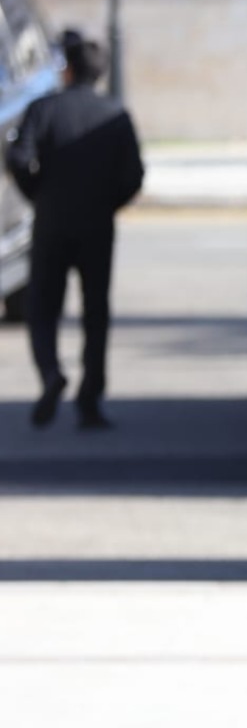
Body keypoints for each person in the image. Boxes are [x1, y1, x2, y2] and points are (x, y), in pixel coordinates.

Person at [5, 30, 145, 429]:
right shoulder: (114, 114)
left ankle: (51, 372)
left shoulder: (44, 109)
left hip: (52, 222)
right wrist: (107, 203)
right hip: (96, 226)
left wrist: (39, 194)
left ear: (67, 69)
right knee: (95, 312)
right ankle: (90, 396)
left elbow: (18, 157)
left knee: (43, 308)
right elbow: (134, 175)